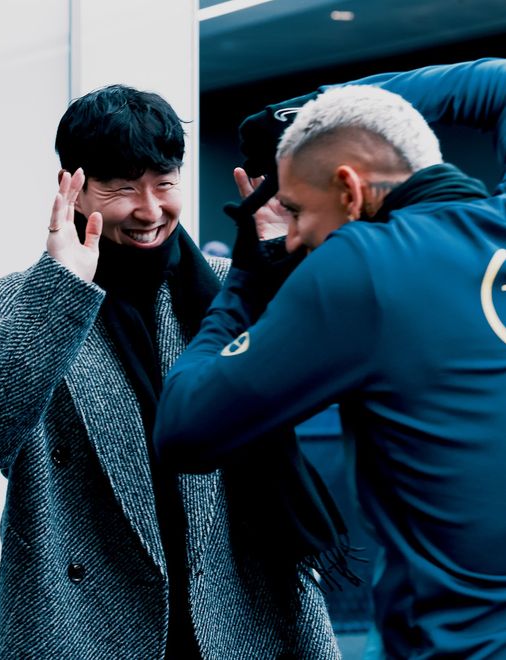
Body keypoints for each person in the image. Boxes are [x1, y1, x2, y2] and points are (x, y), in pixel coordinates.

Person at [154, 58, 506, 658]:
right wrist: (302, 113)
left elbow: (182, 431)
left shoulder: (365, 265)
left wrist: (248, 275)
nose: (292, 237)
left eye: (295, 210)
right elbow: (495, 82)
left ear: (349, 189)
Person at [0, 84, 341, 659]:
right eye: (123, 188)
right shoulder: (15, 306)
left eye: (165, 184)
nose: (150, 210)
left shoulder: (230, 283)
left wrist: (279, 263)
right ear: (72, 186)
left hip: (240, 610)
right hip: (83, 625)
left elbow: (324, 382)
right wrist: (60, 291)